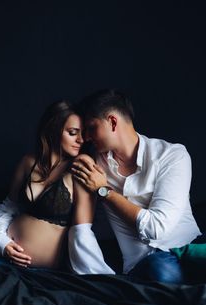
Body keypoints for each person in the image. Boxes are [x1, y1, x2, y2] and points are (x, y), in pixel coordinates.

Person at [68, 89, 202, 283]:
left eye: (90, 128)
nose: (86, 137)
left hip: (189, 247)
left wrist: (104, 191)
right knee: (162, 273)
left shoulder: (172, 155)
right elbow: (81, 227)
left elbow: (158, 228)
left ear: (113, 122)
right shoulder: (93, 165)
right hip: (147, 263)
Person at [0, 100, 85, 268]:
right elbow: (8, 207)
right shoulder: (28, 162)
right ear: (54, 131)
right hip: (5, 247)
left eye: (82, 133)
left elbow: (85, 229)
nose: (81, 140)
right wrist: (1, 242)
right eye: (73, 133)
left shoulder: (79, 167)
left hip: (39, 269)